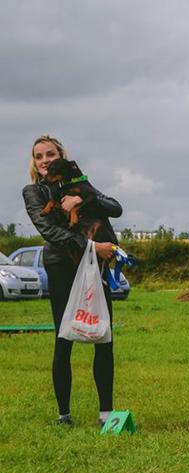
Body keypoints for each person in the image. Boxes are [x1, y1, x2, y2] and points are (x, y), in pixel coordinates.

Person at [22, 135, 121, 428]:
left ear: (61, 155)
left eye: (49, 154)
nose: (44, 161)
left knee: (104, 337)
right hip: (62, 267)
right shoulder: (33, 192)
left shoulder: (79, 183)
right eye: (39, 156)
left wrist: (83, 199)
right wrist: (92, 247)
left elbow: (115, 208)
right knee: (63, 338)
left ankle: (106, 414)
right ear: (34, 162)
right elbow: (49, 230)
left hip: (95, 267)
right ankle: (64, 415)